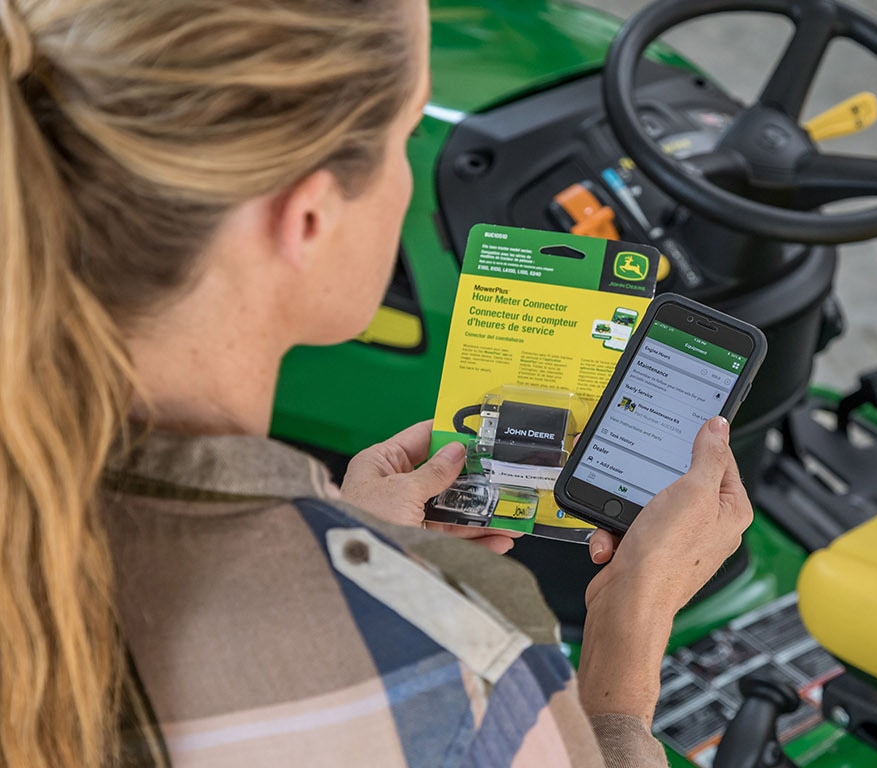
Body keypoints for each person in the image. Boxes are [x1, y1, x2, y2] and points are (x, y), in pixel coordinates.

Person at [0, 0, 752, 766]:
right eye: (407, 135)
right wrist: (622, 666)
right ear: (311, 217)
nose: (405, 178)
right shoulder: (461, 666)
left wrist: (356, 545)